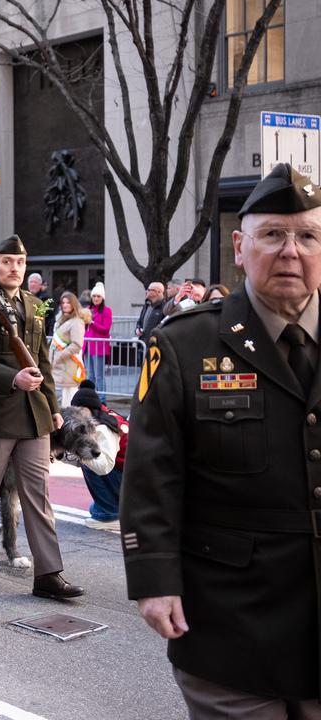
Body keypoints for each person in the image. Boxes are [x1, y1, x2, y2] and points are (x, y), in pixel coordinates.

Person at [122, 163, 321, 713]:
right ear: (240, 246)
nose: (291, 251)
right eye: (273, 235)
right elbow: (151, 473)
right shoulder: (186, 345)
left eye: (308, 236)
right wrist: (154, 578)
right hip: (231, 619)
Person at [0, 234, 84, 599]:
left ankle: (48, 572)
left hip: (34, 416)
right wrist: (11, 377)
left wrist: (54, 408)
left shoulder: (33, 304)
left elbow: (40, 359)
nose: (14, 267)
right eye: (7, 261)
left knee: (38, 496)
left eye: (20, 262)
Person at [66, 380, 125, 529]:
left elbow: (104, 467)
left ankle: (110, 514)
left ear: (87, 408)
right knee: (94, 509)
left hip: (134, 485)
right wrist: (63, 455)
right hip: (134, 482)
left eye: (79, 410)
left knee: (90, 459)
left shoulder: (104, 428)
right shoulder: (104, 416)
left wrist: (79, 454)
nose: (76, 414)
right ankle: (111, 508)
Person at [50, 291, 88, 405]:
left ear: (74, 304)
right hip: (59, 366)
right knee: (60, 400)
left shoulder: (76, 322)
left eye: (68, 302)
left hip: (69, 366)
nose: (65, 305)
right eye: (63, 302)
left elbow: (76, 345)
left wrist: (59, 356)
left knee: (68, 399)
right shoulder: (61, 320)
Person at [83, 282, 112, 393]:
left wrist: (92, 322)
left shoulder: (107, 310)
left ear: (102, 298)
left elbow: (105, 329)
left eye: (98, 296)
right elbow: (84, 327)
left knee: (99, 375)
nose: (96, 298)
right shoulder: (88, 309)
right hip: (87, 345)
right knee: (89, 375)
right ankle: (91, 396)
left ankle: (102, 398)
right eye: (94, 296)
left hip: (98, 346)